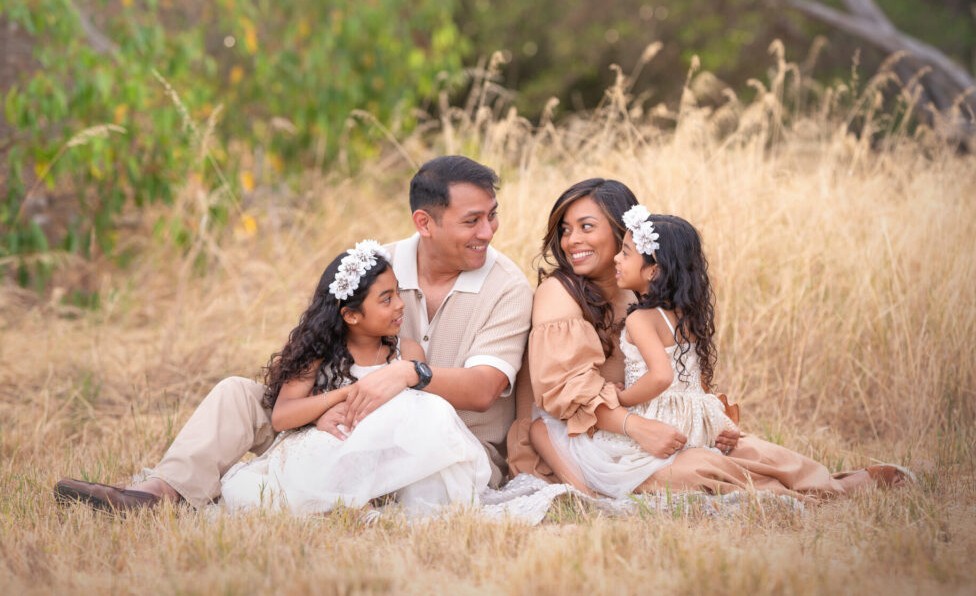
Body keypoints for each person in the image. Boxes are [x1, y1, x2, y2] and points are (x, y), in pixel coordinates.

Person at [55, 156, 533, 512]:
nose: (488, 231)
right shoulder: (375, 267)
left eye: (492, 215)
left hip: (447, 449)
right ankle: (159, 495)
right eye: (472, 220)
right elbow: (321, 342)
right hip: (345, 421)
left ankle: (287, 493)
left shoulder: (505, 285)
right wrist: (320, 412)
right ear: (424, 223)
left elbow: (485, 388)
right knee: (239, 395)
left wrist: (410, 373)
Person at [507, 179, 911, 500]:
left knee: (744, 448)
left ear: (625, 234)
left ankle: (833, 483)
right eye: (565, 230)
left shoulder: (637, 293)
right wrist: (637, 426)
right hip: (582, 436)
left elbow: (677, 374)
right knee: (700, 468)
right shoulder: (559, 294)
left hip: (639, 423)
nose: (571, 240)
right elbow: (564, 392)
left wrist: (711, 420)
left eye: (586, 227)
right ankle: (814, 496)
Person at [218, 241, 491, 515]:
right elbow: (282, 415)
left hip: (385, 457)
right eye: (386, 299)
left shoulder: (406, 352)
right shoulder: (319, 353)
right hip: (329, 448)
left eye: (397, 292)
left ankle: (392, 498)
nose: (400, 304)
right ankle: (345, 504)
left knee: (431, 409)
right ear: (351, 315)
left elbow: (413, 419)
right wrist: (343, 395)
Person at [529, 209, 739, 497]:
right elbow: (688, 376)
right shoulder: (687, 315)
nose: (617, 257)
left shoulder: (641, 318)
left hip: (659, 418)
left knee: (541, 430)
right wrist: (720, 421)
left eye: (626, 253)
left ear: (653, 271)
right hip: (695, 421)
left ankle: (587, 493)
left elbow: (662, 376)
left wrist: (623, 398)